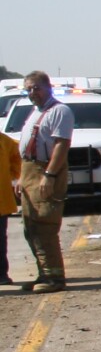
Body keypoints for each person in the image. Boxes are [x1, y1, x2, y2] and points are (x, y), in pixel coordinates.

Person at [15, 73, 74, 292]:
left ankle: (54, 279)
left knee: (44, 224)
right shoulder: (36, 112)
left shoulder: (59, 111)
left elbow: (61, 144)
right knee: (31, 226)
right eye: (28, 89)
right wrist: (22, 177)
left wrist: (49, 175)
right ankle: (44, 274)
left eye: (36, 88)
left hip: (45, 170)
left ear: (48, 87)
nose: (32, 93)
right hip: (30, 170)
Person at [0, 121, 19, 287]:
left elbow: (18, 158)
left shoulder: (4, 141)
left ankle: (1, 274)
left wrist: (11, 176)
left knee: (0, 240)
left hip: (1, 201)